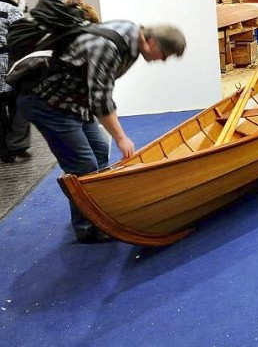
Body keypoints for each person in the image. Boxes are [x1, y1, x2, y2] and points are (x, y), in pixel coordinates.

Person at [16, 20, 186, 243]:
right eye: (164, 55)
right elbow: (100, 99)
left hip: (74, 100)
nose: (162, 61)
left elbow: (95, 87)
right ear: (151, 42)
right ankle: (88, 227)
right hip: (47, 102)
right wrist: (121, 137)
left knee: (99, 150)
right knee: (83, 165)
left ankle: (96, 211)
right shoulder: (109, 47)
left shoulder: (133, 36)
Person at [0, 0, 31, 163]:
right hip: (10, 65)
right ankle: (18, 146)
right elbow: (25, 34)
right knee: (19, 105)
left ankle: (4, 150)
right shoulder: (9, 8)